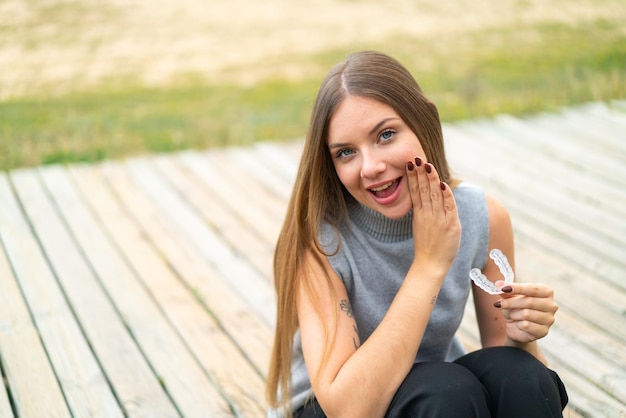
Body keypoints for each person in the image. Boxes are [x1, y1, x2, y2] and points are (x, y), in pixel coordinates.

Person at [266, 51, 568, 418]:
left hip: (439, 398)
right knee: (444, 391)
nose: (372, 167)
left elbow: (504, 357)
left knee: (522, 376)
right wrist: (428, 264)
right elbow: (348, 408)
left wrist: (522, 337)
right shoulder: (320, 245)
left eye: (386, 135)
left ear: (425, 120)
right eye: (346, 152)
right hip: (333, 408)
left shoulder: (480, 217)